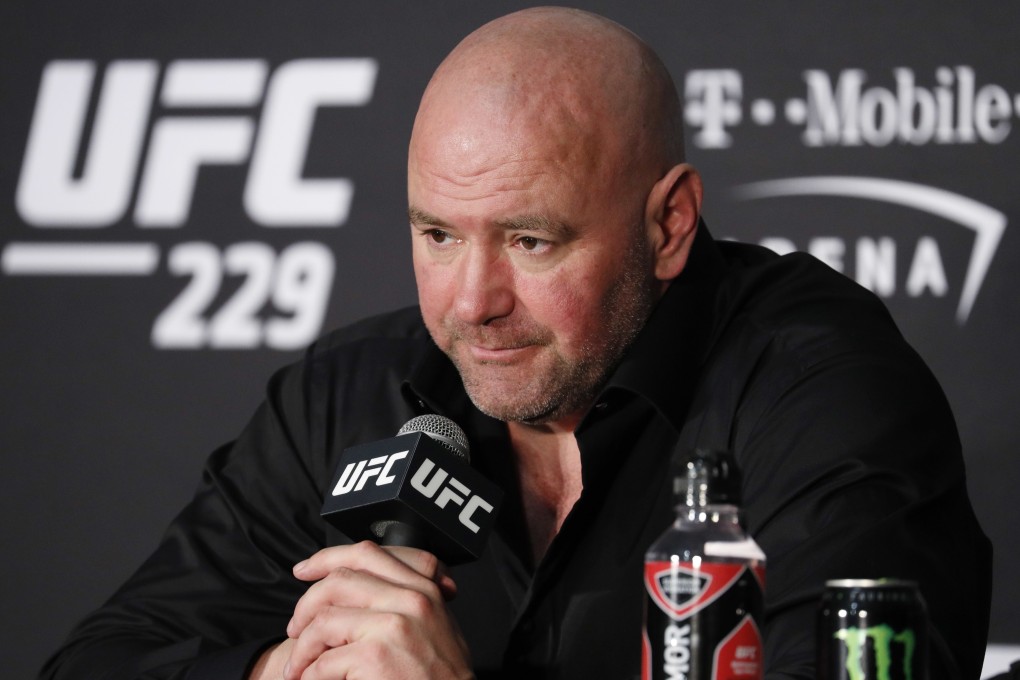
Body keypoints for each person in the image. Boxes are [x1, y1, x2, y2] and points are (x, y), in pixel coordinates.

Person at [41, 7, 991, 680]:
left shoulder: (817, 382)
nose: (472, 304)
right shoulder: (347, 393)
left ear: (669, 226)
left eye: (532, 241)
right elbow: (101, 658)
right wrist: (286, 671)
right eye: (438, 236)